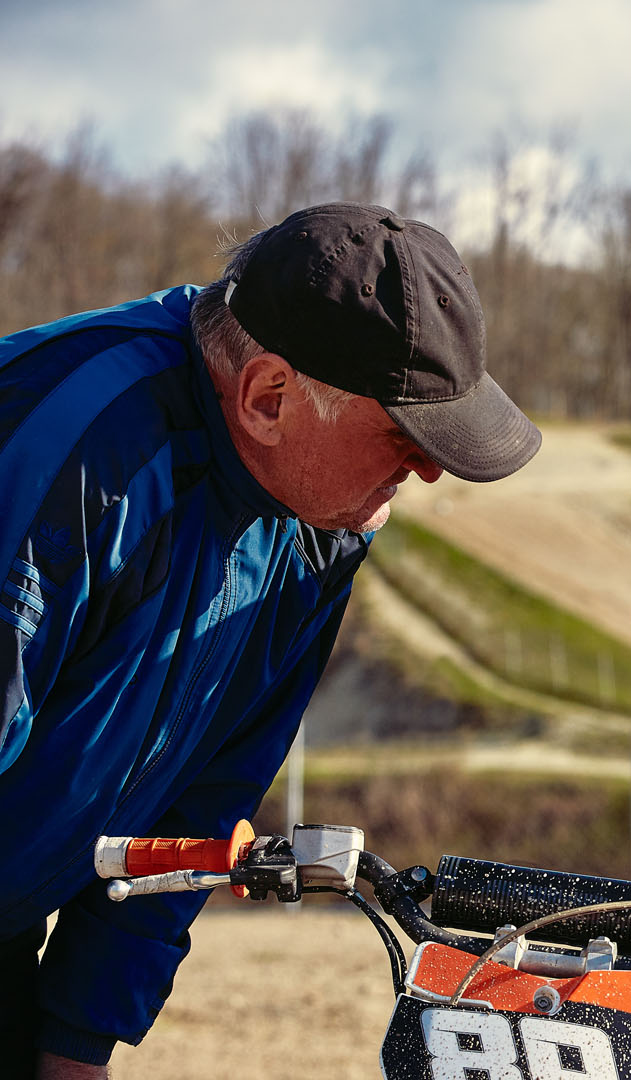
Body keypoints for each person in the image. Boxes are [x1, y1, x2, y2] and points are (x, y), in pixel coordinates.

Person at [0, 202, 542, 1078]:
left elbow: (200, 801)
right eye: (405, 435)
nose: (433, 469)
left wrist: (75, 1041)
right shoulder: (70, 449)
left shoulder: (321, 523)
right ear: (268, 397)